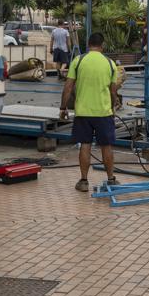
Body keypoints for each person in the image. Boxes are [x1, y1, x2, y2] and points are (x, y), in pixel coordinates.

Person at [60, 32, 122, 192]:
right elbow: (113, 91)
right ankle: (111, 179)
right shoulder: (110, 64)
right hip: (103, 112)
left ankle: (83, 181)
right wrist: (113, 106)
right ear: (102, 45)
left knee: (85, 145)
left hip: (83, 113)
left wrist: (63, 108)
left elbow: (68, 87)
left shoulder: (78, 61)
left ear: (88, 44)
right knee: (106, 146)